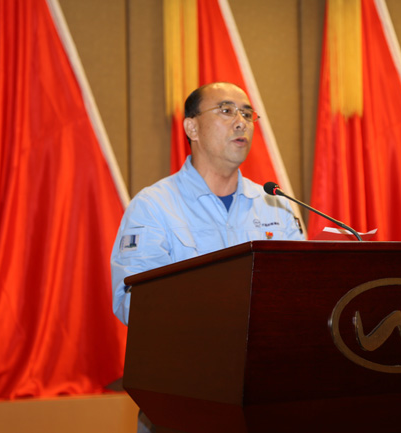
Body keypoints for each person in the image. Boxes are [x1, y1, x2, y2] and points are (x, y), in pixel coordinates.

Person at [109, 82, 305, 432]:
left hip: (266, 399)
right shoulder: (154, 207)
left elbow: (302, 297)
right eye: (226, 111)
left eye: (247, 114)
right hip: (185, 397)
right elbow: (132, 304)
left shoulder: (275, 205)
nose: (241, 121)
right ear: (192, 128)